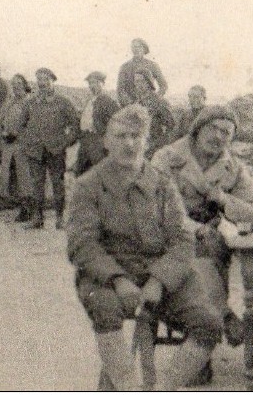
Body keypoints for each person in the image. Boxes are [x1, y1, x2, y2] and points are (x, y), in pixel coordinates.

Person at [68, 105, 223, 391]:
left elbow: (182, 239)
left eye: (136, 136)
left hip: (162, 273)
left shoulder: (162, 184)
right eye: (120, 136)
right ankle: (128, 389)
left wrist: (159, 281)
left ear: (147, 141)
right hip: (108, 274)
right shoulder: (88, 186)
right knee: (105, 309)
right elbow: (82, 244)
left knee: (209, 323)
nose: (129, 143)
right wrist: (118, 279)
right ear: (106, 141)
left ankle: (161, 392)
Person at [151, 105, 253, 357]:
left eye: (226, 132)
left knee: (206, 250)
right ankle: (223, 320)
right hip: (163, 238)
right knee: (196, 250)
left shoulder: (233, 168)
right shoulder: (166, 158)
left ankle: (204, 336)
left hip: (208, 245)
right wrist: (195, 229)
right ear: (197, 129)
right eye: (212, 128)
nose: (218, 137)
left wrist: (224, 199)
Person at [18, 67, 80, 230]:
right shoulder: (30, 102)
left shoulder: (63, 102)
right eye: (39, 80)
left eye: (46, 79)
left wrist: (65, 142)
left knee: (57, 184)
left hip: (55, 150)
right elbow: (21, 125)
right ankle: (37, 218)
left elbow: (75, 125)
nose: (42, 83)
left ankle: (60, 218)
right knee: (36, 184)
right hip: (35, 150)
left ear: (53, 81)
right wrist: (26, 143)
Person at [0, 74, 34, 222]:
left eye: (19, 83)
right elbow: (0, 121)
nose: (16, 86)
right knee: (8, 174)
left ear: (24, 84)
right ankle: (16, 204)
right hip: (8, 143)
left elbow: (33, 124)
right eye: (14, 83)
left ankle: (27, 209)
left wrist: (18, 134)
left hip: (23, 144)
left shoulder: (30, 101)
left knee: (24, 177)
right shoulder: (9, 102)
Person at [73, 71, 120, 177]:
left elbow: (116, 121)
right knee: (82, 174)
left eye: (95, 83)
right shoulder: (89, 100)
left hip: (98, 142)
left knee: (100, 174)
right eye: (90, 83)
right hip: (85, 141)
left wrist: (103, 134)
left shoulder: (107, 101)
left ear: (103, 84)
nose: (92, 86)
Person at [133, 71, 178, 157]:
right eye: (137, 81)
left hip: (155, 151)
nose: (139, 84)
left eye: (142, 81)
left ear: (149, 82)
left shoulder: (159, 101)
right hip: (140, 150)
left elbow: (171, 127)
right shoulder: (137, 104)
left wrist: (157, 146)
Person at [116, 38, 168, 106]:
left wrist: (155, 99)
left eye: (139, 47)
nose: (136, 49)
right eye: (134, 47)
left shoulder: (153, 65)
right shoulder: (124, 67)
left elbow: (163, 85)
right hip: (131, 105)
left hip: (150, 104)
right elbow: (120, 89)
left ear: (144, 49)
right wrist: (130, 103)